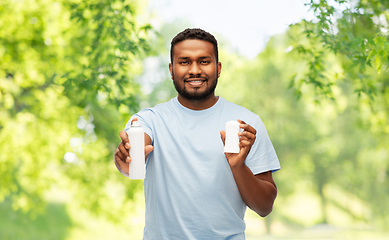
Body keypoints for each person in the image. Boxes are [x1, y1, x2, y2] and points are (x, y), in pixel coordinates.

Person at [114, 28, 280, 239]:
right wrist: (126, 159)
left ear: (218, 68)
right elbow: (131, 158)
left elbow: (264, 207)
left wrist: (238, 166)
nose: (194, 70)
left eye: (204, 61)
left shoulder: (246, 125)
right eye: (184, 62)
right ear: (171, 69)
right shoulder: (150, 120)